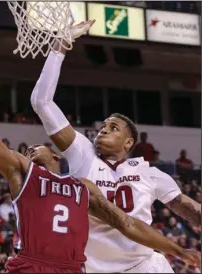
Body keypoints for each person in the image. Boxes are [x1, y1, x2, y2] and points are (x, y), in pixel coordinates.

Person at [0, 48, 200, 273]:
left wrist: (174, 247)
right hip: (60, 265)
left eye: (35, 147)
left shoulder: (87, 187)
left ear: (56, 155)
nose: (30, 151)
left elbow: (128, 223)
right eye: (26, 151)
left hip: (105, 265)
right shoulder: (40, 169)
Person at [30, 20, 201, 273]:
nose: (103, 129)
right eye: (104, 125)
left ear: (129, 142)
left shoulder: (150, 173)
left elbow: (188, 208)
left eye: (113, 128)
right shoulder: (82, 153)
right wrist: (60, 45)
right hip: (93, 268)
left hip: (143, 265)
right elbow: (42, 102)